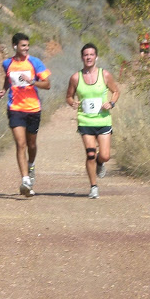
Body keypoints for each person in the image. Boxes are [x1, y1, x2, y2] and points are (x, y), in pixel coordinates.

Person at [0, 33, 51, 197]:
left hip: (33, 108)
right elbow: (8, 79)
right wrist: (4, 90)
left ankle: (31, 164)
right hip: (15, 108)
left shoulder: (35, 62)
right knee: (20, 144)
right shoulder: (7, 63)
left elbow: (47, 85)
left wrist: (32, 81)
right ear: (15, 46)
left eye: (27, 46)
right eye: (23, 46)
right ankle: (25, 179)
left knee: (31, 145)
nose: (26, 48)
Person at [66, 43, 119, 199]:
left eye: (91, 54)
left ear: (96, 57)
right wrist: (72, 103)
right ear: (82, 57)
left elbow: (115, 91)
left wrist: (111, 103)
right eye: (85, 55)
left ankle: (100, 163)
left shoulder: (105, 75)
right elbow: (68, 96)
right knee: (90, 154)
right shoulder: (76, 77)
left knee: (105, 155)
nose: (88, 57)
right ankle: (93, 187)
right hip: (85, 121)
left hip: (103, 120)